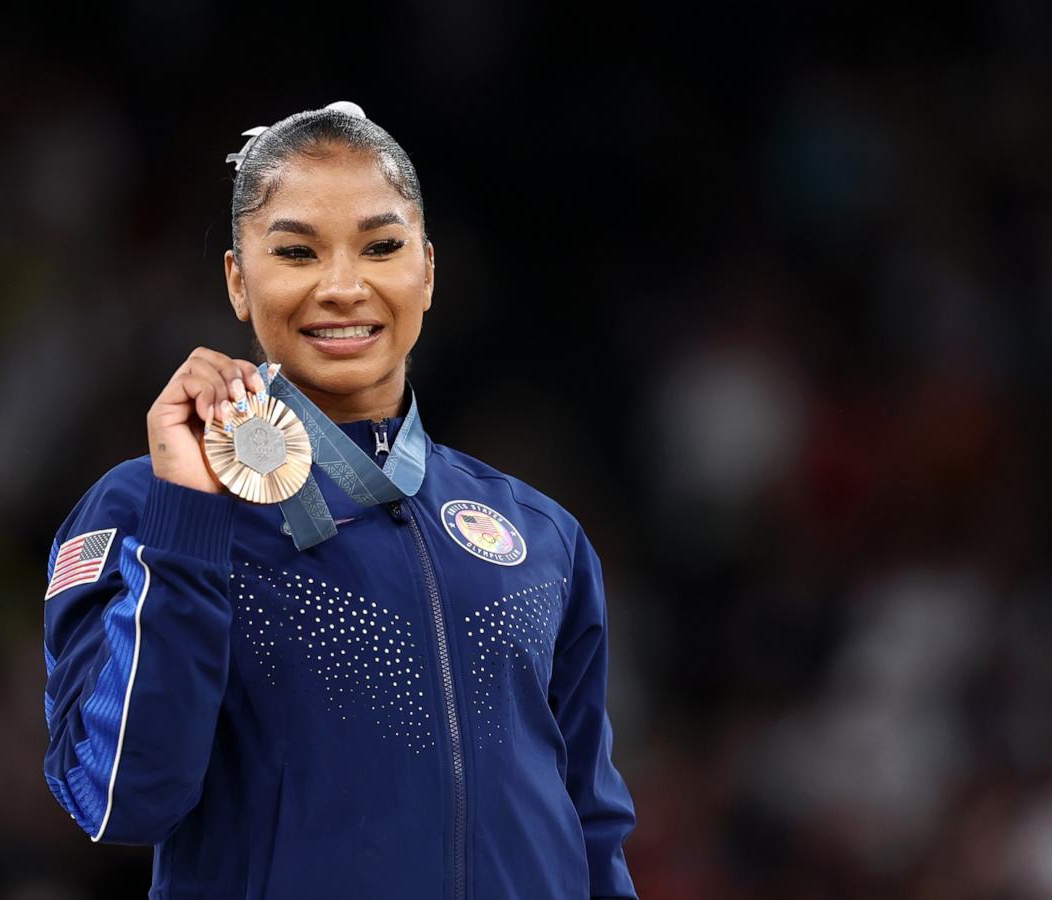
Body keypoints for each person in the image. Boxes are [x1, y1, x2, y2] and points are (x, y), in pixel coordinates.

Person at [41, 101, 639, 899]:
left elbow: (592, 830)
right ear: (238, 281)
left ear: (426, 271)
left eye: (381, 247)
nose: (343, 287)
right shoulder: (148, 507)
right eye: (295, 252)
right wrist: (187, 520)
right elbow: (118, 798)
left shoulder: (541, 534)